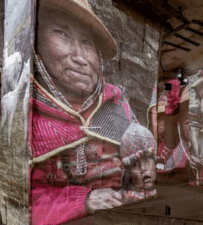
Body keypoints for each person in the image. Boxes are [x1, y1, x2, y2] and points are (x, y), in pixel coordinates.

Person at [30, 0, 154, 224]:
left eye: (86, 42)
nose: (80, 57)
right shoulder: (20, 108)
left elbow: (138, 164)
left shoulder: (116, 103)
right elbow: (14, 200)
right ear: (36, 42)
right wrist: (82, 201)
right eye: (62, 34)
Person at [119, 123, 157, 204]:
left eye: (147, 160)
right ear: (128, 172)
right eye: (135, 164)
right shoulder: (125, 199)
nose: (143, 169)